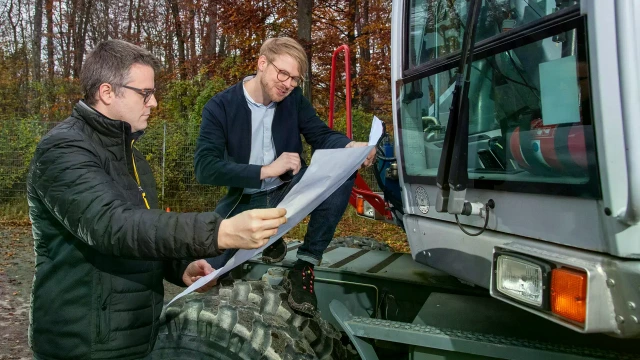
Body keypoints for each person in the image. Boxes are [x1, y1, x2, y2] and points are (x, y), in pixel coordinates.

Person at [26, 39, 287, 360]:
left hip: (136, 335)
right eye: (145, 93)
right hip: (83, 344)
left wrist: (179, 267)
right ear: (108, 93)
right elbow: (112, 226)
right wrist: (220, 232)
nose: (154, 103)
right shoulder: (63, 150)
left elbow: (142, 233)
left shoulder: (132, 158)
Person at [194, 37, 375, 315]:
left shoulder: (293, 101)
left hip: (288, 192)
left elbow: (320, 134)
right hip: (243, 202)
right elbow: (205, 167)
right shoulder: (220, 107)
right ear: (262, 63)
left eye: (295, 79)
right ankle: (269, 237)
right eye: (283, 74)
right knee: (204, 275)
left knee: (342, 169)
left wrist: (351, 146)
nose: (288, 84)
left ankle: (304, 266)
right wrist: (267, 170)